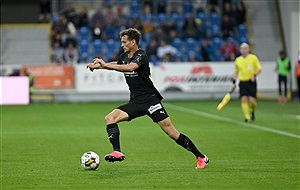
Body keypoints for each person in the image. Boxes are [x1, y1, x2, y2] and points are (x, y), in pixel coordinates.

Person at [86, 28, 209, 169]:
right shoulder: (124, 56)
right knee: (110, 118)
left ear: (133, 42)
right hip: (136, 102)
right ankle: (117, 151)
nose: (122, 45)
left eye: (124, 42)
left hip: (151, 101)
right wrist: (99, 66)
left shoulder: (141, 55)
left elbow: (131, 68)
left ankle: (200, 157)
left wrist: (105, 65)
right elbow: (117, 64)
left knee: (172, 133)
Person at [232, 43, 262, 123]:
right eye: (242, 48)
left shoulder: (253, 58)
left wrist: (254, 74)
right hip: (242, 82)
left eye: (245, 48)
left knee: (252, 101)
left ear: (248, 49)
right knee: (243, 99)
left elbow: (259, 68)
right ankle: (247, 117)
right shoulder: (238, 60)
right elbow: (236, 72)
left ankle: (252, 111)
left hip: (251, 82)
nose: (243, 50)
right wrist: (234, 82)